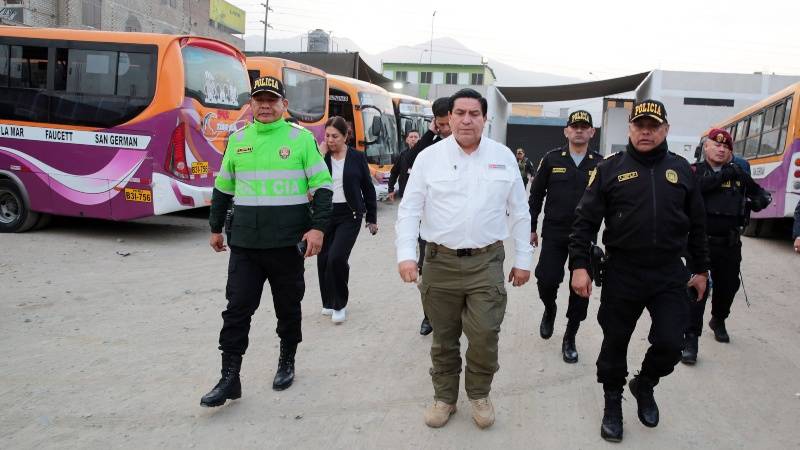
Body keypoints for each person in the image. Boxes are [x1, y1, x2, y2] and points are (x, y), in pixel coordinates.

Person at [569, 99, 710, 442]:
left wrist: (701, 270)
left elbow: (698, 225)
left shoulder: (682, 170)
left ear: (665, 130)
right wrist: (580, 266)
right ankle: (612, 400)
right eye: (640, 125)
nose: (646, 132)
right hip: (623, 271)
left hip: (668, 273)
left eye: (653, 126)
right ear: (630, 128)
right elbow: (584, 222)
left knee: (671, 342)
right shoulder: (610, 169)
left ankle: (645, 383)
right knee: (615, 341)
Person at [396, 89, 533, 429]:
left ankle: (479, 394)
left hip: (486, 262)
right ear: (449, 117)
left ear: (485, 119)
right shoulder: (429, 158)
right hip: (439, 262)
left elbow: (519, 211)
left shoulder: (503, 157)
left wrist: (523, 259)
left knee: (485, 334)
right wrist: (406, 255)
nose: (467, 120)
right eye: (460, 113)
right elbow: (409, 208)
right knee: (444, 337)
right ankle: (444, 398)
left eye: (474, 114)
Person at [200, 76, 333, 407]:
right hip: (246, 243)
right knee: (236, 310)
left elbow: (323, 186)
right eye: (259, 100)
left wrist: (318, 229)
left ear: (283, 105)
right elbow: (223, 188)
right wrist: (215, 227)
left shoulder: (300, 139)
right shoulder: (238, 140)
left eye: (272, 100)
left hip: (287, 244)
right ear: (251, 104)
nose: (265, 106)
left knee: (287, 308)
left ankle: (287, 360)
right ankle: (229, 377)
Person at [681, 129, 771, 363]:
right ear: (706, 147)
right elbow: (700, 187)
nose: (721, 149)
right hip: (699, 243)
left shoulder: (739, 174)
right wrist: (727, 173)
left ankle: (719, 319)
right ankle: (691, 339)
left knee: (728, 287)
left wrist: (759, 201)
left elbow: (761, 194)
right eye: (716, 145)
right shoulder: (693, 171)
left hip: (729, 244)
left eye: (726, 147)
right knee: (696, 290)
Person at [528, 110, 601, 363]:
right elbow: (536, 195)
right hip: (554, 233)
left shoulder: (600, 164)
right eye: (574, 126)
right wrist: (531, 226)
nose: (579, 130)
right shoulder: (551, 159)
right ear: (566, 131)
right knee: (546, 280)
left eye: (584, 126)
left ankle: (570, 336)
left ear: (592, 132)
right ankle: (550, 308)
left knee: (580, 290)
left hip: (585, 237)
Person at [389, 97, 453, 336]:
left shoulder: (468, 144)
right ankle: (429, 316)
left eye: (448, 123)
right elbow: (408, 160)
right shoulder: (429, 145)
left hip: (456, 225)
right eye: (441, 124)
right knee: (427, 274)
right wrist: (429, 134)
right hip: (429, 225)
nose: (446, 129)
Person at [318, 116, 378, 324]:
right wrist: (319, 155)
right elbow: (306, 178)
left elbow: (368, 188)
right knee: (324, 259)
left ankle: (339, 304)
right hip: (325, 213)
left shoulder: (357, 157)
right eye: (327, 136)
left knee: (336, 258)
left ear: (345, 136)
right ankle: (328, 301)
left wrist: (371, 217)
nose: (330, 140)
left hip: (350, 214)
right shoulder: (320, 156)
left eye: (335, 136)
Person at [387, 130, 421, 199]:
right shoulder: (402, 155)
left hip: (421, 193)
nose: (413, 139)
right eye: (411, 137)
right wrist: (390, 189)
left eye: (415, 137)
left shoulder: (424, 154)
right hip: (405, 193)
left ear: (420, 139)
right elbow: (394, 172)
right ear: (407, 140)